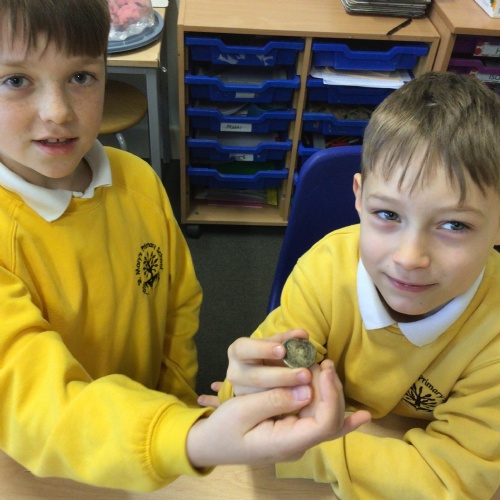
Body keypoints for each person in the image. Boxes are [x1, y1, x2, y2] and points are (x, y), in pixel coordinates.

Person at [0, 0, 371, 492]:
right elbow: (36, 401)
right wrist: (188, 437)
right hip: (45, 463)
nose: (58, 112)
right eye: (16, 80)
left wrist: (174, 407)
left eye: (81, 77)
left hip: (158, 439)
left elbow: (178, 301)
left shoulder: (137, 179)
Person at [211, 72, 500, 499]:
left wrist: (298, 446)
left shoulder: (492, 330)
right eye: (388, 215)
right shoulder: (326, 268)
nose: (409, 257)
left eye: (455, 225)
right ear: (360, 198)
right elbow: (252, 401)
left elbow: (454, 480)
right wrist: (251, 393)